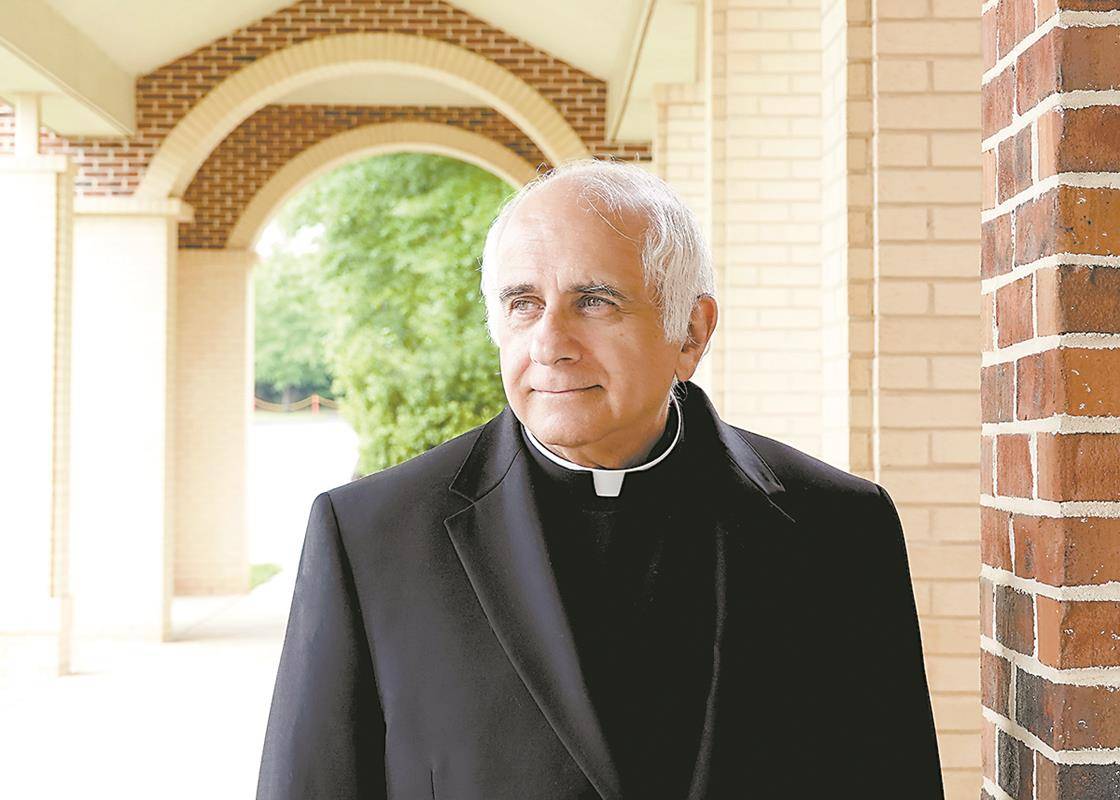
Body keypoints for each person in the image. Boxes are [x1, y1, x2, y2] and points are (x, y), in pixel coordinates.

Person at [255, 158, 945, 799]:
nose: (550, 343)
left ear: (691, 333)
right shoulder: (371, 537)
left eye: (594, 301)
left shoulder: (840, 527)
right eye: (523, 303)